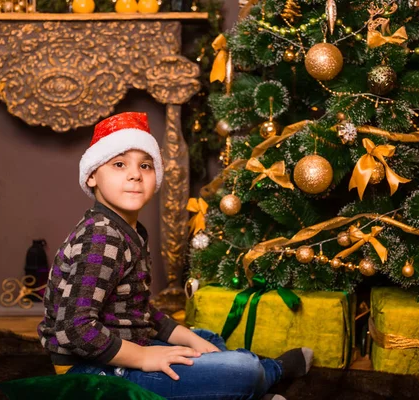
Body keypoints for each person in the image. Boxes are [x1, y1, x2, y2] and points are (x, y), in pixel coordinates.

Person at [38, 112, 314, 399]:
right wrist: (147, 358)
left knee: (207, 339)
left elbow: (139, 313)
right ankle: (270, 372)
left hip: (125, 343)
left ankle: (235, 384)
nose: (135, 174)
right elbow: (74, 328)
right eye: (119, 165)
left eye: (145, 165)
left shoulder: (127, 230)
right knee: (241, 368)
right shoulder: (101, 236)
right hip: (92, 370)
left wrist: (189, 339)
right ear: (93, 176)